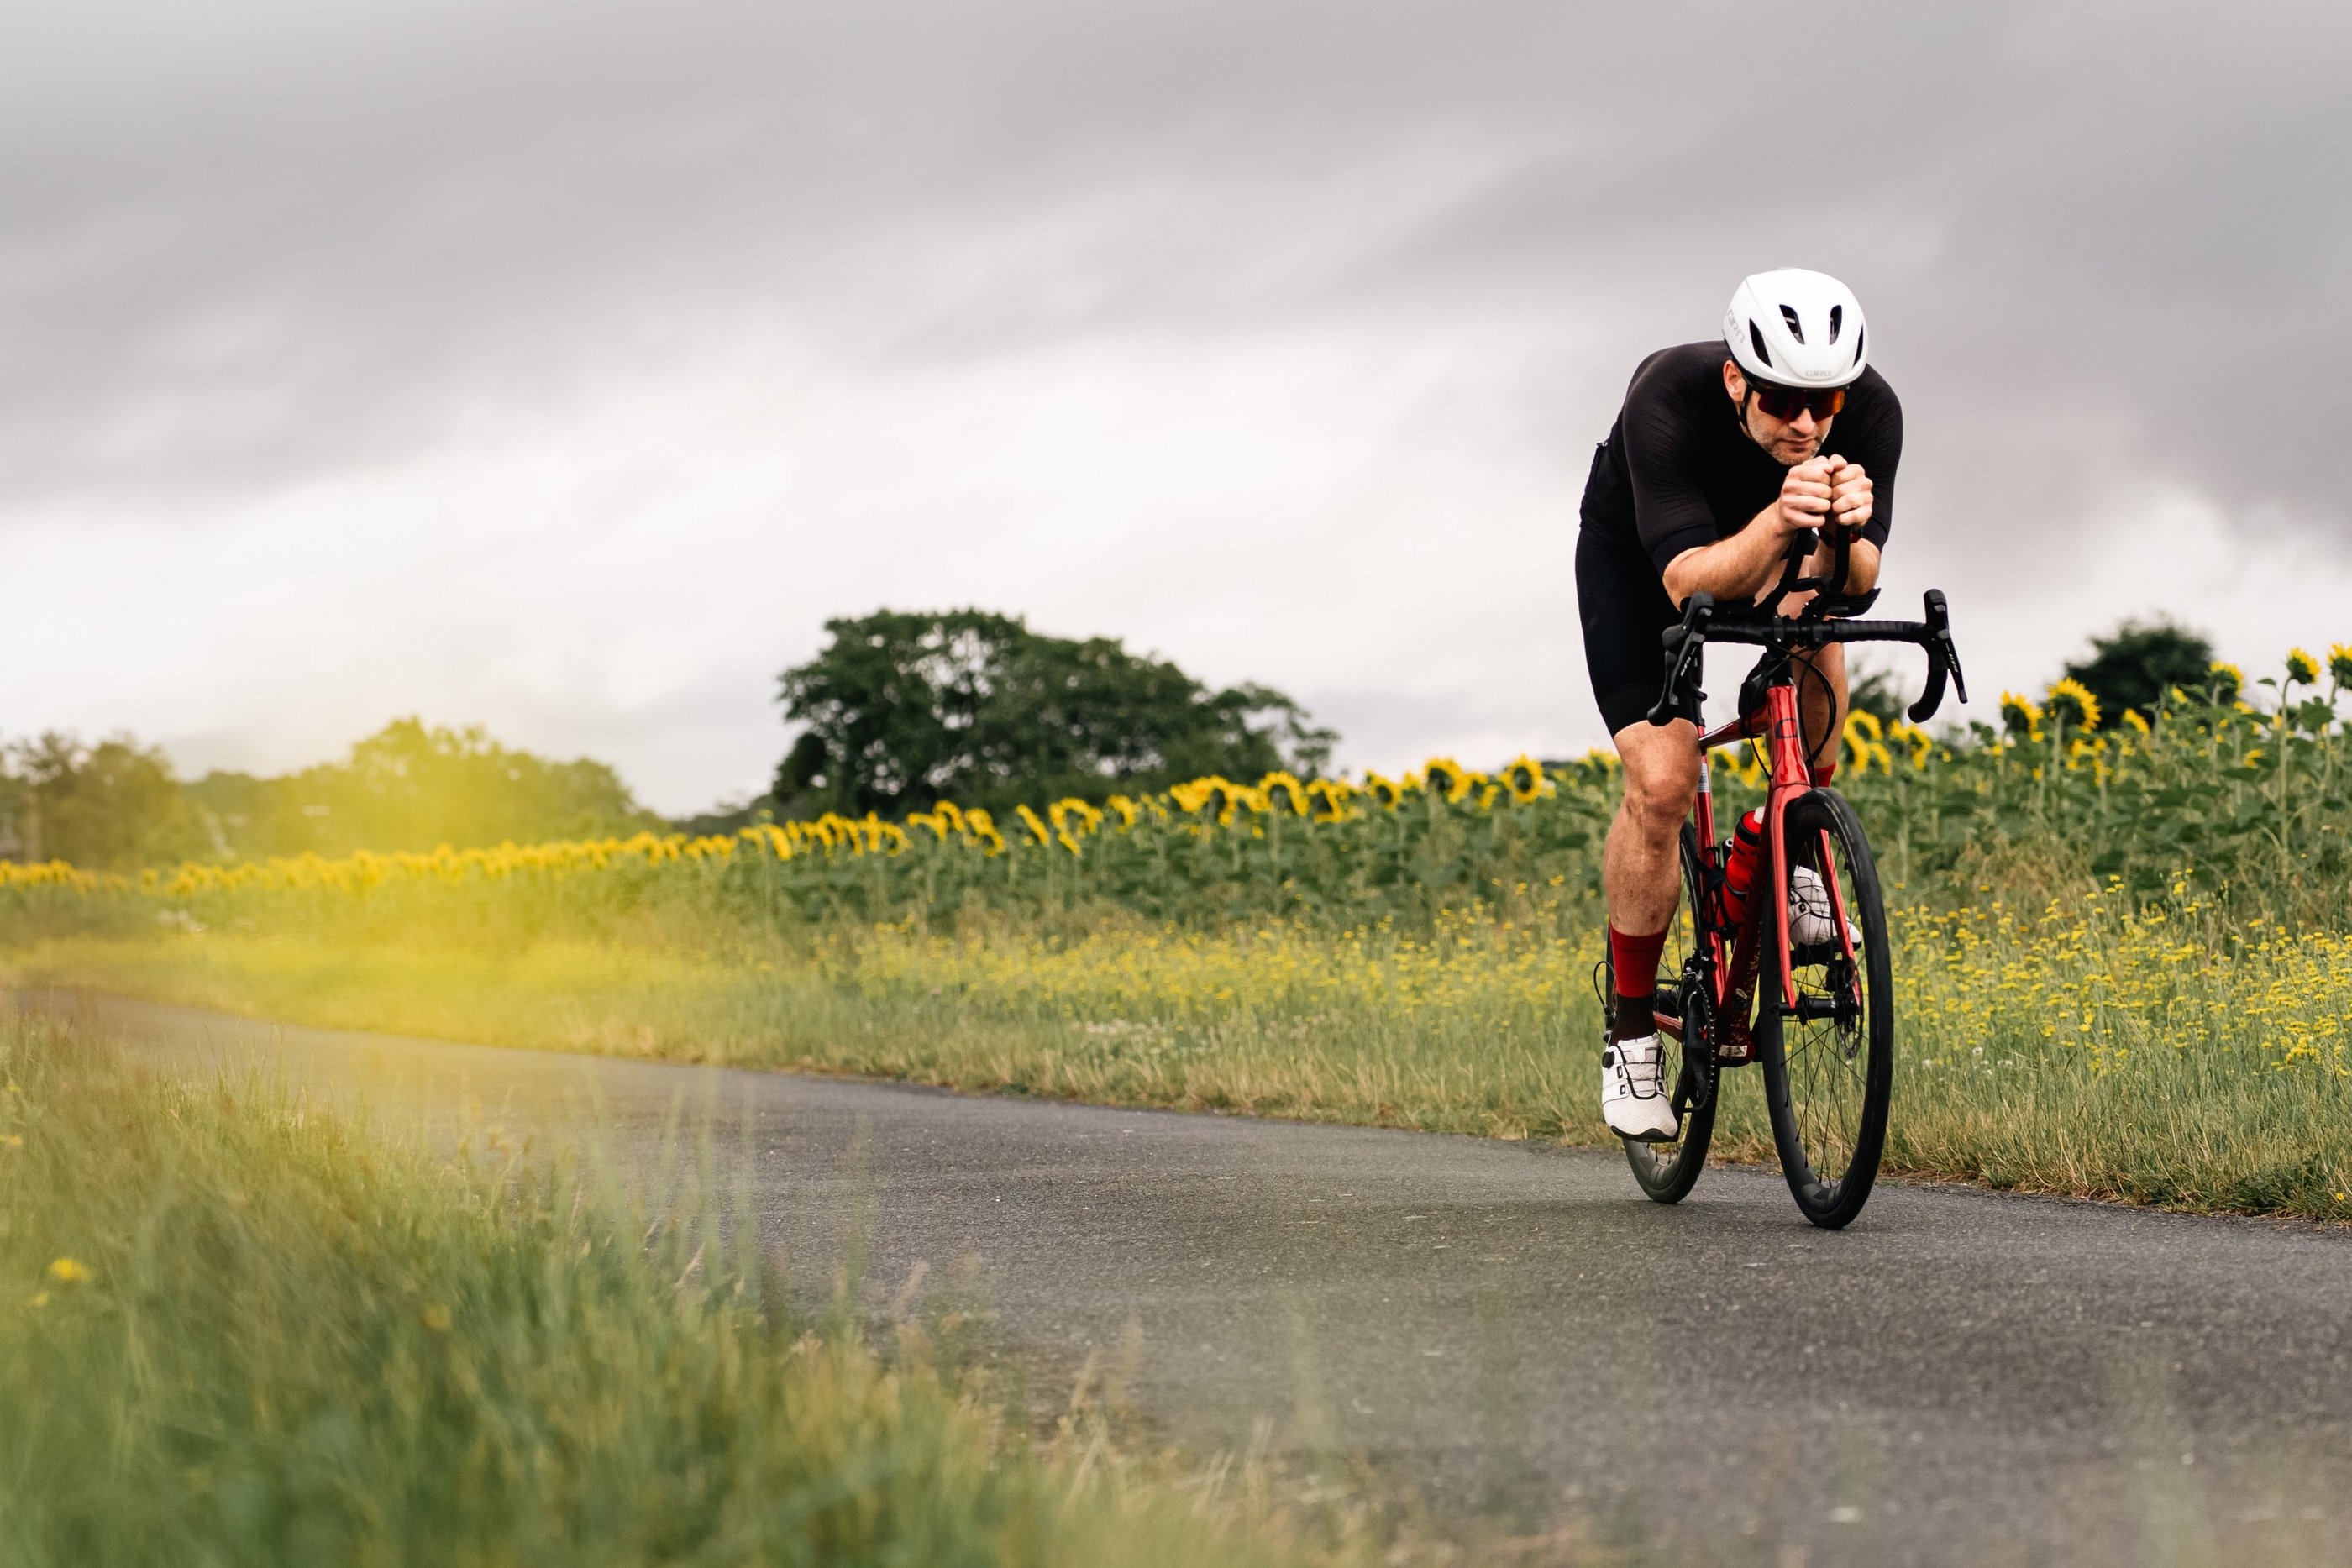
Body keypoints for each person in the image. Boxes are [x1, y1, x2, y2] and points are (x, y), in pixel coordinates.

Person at [1575, 269, 1899, 1141]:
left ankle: (1791, 853)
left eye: (1823, 401)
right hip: (1644, 566)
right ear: (1734, 381)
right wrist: (1781, 518)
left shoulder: (1868, 411)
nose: (1805, 422)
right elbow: (1686, 583)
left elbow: (1858, 583)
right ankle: (1633, 1032)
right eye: (1781, 401)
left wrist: (1842, 538)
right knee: (1664, 781)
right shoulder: (1666, 397)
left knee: (1818, 692)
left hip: (1781, 557)